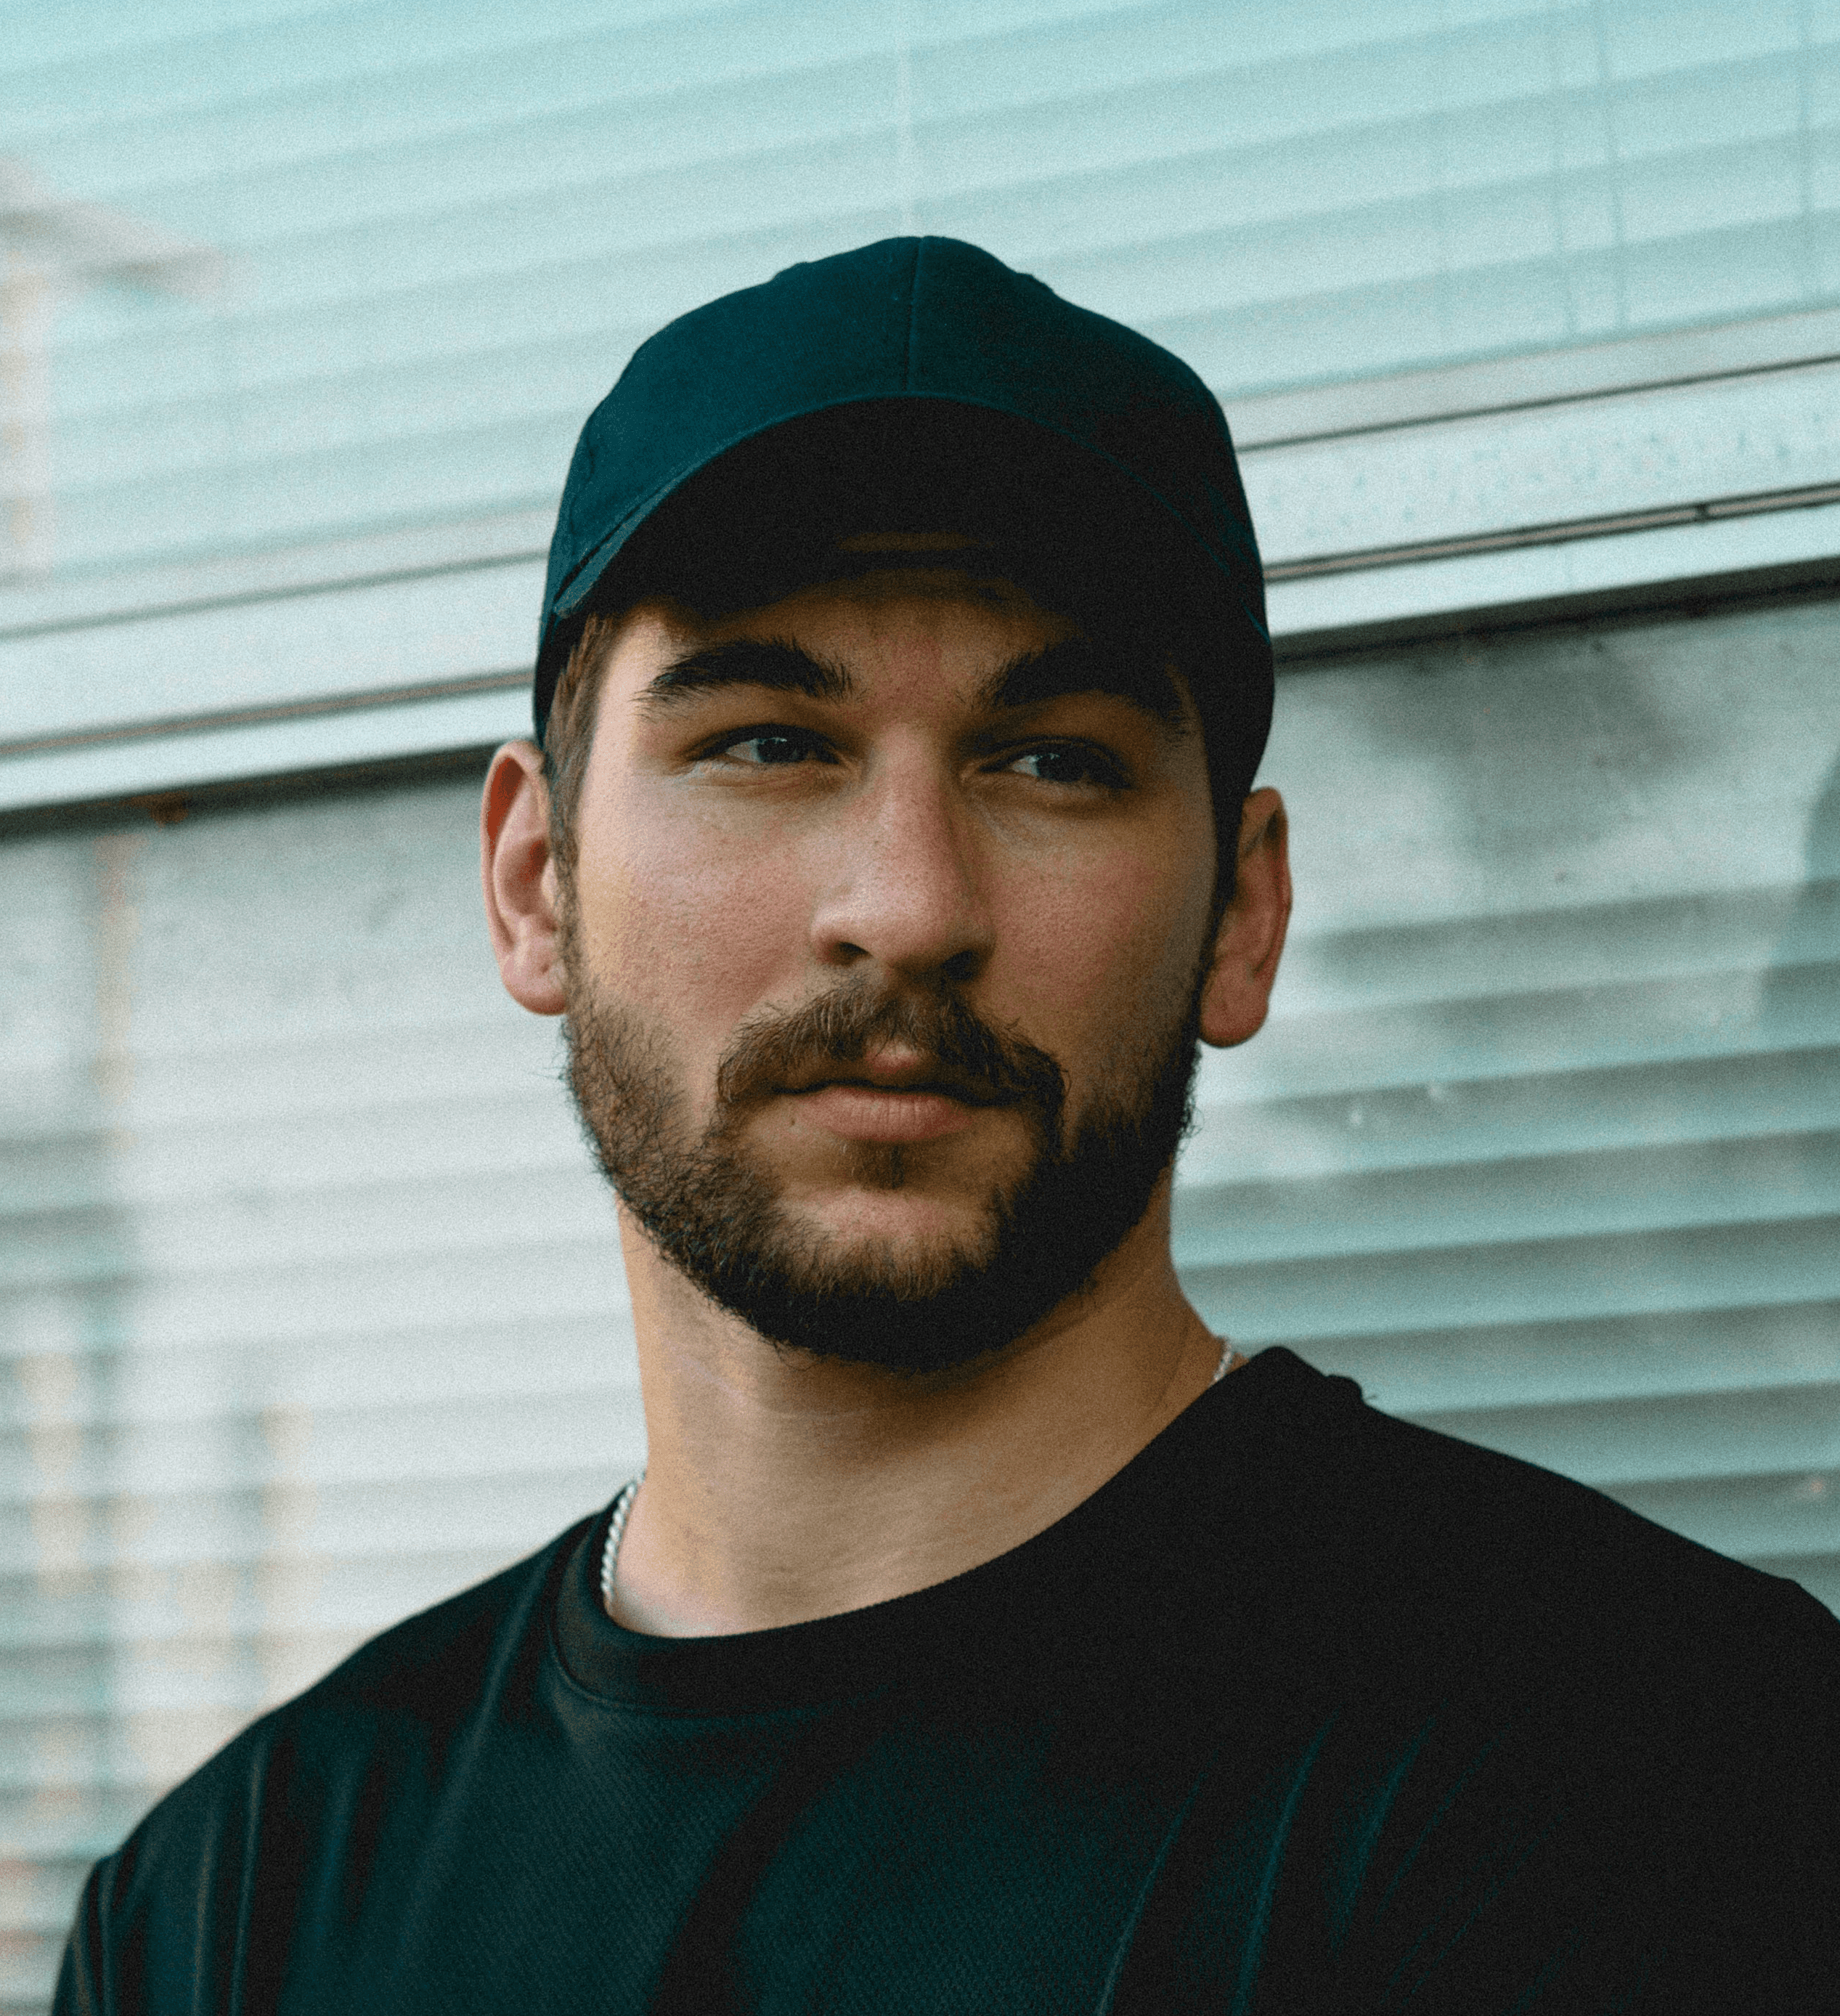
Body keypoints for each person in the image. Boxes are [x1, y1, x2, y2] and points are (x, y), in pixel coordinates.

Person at [56, 237, 1837, 2014]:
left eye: (1052, 759)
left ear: (1242, 915)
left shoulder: (1661, 1780)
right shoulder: (229, 1909)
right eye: (767, 742)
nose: (907, 907)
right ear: (536, 881)